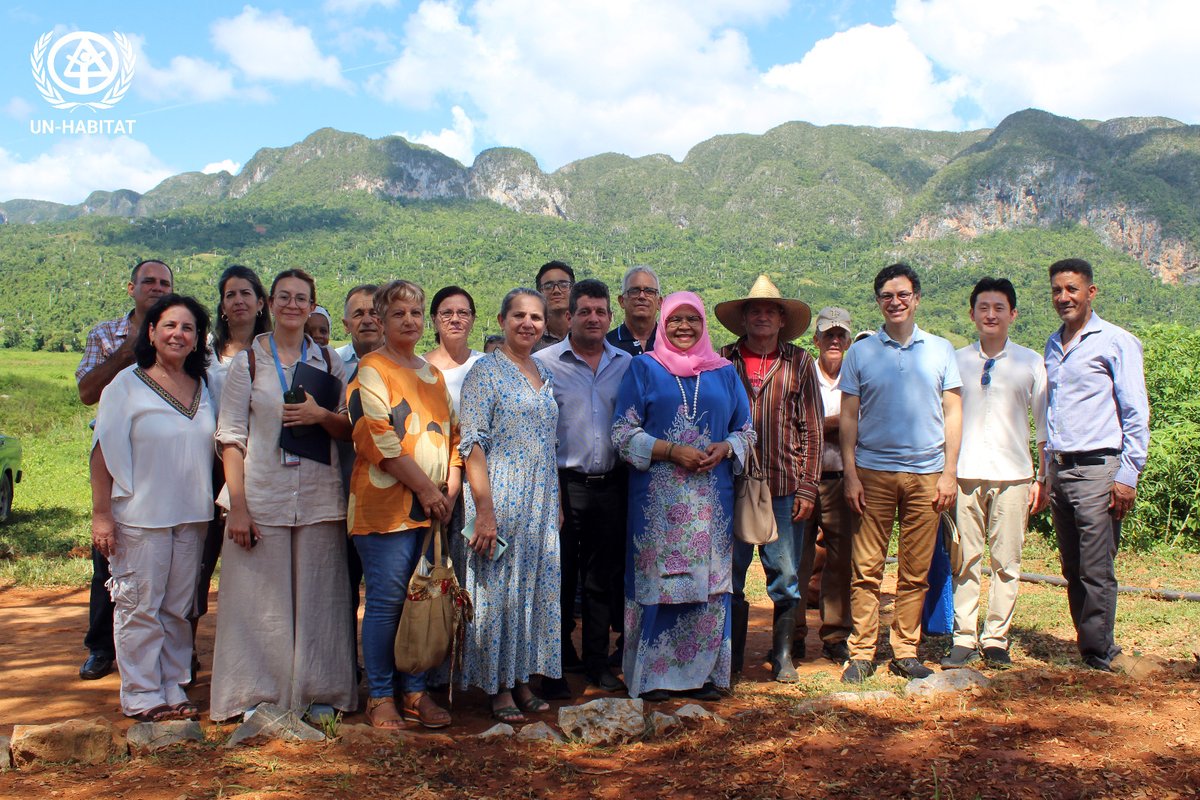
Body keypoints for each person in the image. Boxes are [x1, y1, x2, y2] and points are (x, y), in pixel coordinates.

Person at [210, 268, 357, 722]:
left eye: (302, 298)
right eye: (284, 297)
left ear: (313, 306)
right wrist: (238, 506)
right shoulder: (248, 362)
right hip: (262, 494)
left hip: (318, 496)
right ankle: (255, 696)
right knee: (256, 602)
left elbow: (347, 428)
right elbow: (231, 438)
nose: (293, 305)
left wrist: (319, 415)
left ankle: (320, 692)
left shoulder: (329, 361)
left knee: (322, 598)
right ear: (269, 305)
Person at [612, 291, 754, 701]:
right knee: (659, 585)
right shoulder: (644, 368)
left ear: (704, 325)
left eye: (693, 319)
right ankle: (654, 677)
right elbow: (622, 433)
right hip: (658, 502)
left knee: (710, 586)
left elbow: (745, 429)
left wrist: (724, 448)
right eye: (676, 319)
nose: (684, 327)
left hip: (712, 501)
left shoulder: (725, 371)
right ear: (663, 322)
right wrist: (671, 451)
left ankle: (706, 675)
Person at [90, 294, 216, 721]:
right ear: (151, 332)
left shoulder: (205, 386)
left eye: (188, 328)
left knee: (178, 609)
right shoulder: (125, 384)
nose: (179, 334)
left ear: (198, 338)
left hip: (192, 515)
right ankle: (142, 693)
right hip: (140, 516)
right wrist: (101, 513)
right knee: (139, 606)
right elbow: (101, 451)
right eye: (170, 326)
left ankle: (173, 685)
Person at [839, 263, 962, 683]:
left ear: (917, 298)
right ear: (878, 302)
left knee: (916, 569)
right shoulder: (861, 352)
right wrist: (852, 475)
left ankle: (905, 650)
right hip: (872, 472)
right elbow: (850, 417)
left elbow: (953, 413)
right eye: (887, 296)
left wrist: (950, 473)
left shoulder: (941, 350)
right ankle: (861, 652)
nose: (895, 302)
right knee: (866, 567)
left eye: (903, 294)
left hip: (927, 474)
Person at [348, 280, 461, 729]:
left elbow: (454, 437)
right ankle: (380, 696)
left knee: (424, 599)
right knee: (387, 601)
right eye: (399, 314)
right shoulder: (371, 369)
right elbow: (377, 437)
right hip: (384, 509)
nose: (409, 321)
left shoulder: (432, 375)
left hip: (433, 510)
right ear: (380, 319)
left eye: (415, 313)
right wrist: (428, 491)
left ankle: (414, 692)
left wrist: (448, 492)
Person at [457, 288, 561, 722]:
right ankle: (496, 687)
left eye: (535, 317)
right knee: (497, 592)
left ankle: (521, 681)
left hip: (539, 501)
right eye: (518, 315)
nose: (528, 324)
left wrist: (555, 502)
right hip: (498, 497)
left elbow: (547, 443)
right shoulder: (486, 372)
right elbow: (473, 444)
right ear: (501, 320)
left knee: (530, 591)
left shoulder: (541, 370)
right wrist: (484, 510)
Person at [714, 275, 822, 683]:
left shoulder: (800, 363)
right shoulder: (723, 362)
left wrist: (808, 486)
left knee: (786, 574)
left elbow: (811, 428)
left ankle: (783, 657)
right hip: (732, 485)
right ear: (743, 318)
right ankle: (732, 658)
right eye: (754, 310)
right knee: (730, 573)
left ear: (781, 320)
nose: (761, 317)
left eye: (769, 311)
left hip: (784, 485)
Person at [1043, 258, 1149, 672]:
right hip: (1062, 470)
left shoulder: (1116, 341)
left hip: (1098, 468)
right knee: (1072, 565)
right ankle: (1089, 644)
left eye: (1072, 289)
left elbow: (1136, 411)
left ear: (1091, 292)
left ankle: (1100, 653)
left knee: (1096, 566)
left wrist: (1127, 474)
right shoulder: (1053, 345)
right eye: (1057, 290)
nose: (1063, 297)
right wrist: (1048, 469)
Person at [76, 258, 174, 681]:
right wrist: (128, 348)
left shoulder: (185, 333)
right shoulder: (105, 333)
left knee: (171, 563)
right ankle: (101, 647)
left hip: (168, 464)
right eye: (148, 281)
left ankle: (171, 652)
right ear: (131, 288)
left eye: (164, 283)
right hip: (118, 461)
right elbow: (86, 391)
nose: (156, 288)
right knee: (111, 556)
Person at [942, 278, 1047, 670]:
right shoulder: (955, 360)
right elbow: (943, 419)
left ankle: (997, 639)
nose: (990, 314)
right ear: (972, 314)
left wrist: (1043, 475)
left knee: (1007, 562)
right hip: (965, 473)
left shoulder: (1030, 361)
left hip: (1015, 475)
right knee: (965, 560)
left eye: (999, 308)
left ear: (1012, 314)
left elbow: (1044, 423)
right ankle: (964, 637)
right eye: (983, 307)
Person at [535, 279, 633, 696]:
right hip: (562, 484)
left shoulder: (626, 363)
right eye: (585, 311)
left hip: (610, 485)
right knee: (558, 576)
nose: (593, 318)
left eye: (600, 311)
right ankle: (554, 664)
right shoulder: (543, 363)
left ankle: (596, 662)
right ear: (569, 316)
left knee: (600, 579)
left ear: (610, 317)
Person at [193, 265, 272, 680]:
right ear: (222, 306)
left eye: (246, 293)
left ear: (261, 303)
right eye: (230, 295)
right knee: (198, 565)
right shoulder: (202, 353)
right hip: (205, 469)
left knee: (253, 568)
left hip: (257, 471)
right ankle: (183, 651)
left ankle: (252, 658)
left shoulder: (274, 350)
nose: (238, 300)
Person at [795, 307, 857, 665]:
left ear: (848, 341)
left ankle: (835, 636)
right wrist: (841, 422)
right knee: (797, 560)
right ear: (816, 339)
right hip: (803, 478)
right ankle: (794, 634)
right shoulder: (803, 374)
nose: (834, 341)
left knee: (839, 562)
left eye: (840, 335)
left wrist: (819, 423)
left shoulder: (856, 376)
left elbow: (863, 422)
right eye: (828, 335)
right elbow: (796, 422)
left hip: (841, 479)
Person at [424, 286, 486, 411]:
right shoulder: (416, 367)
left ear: (472, 319)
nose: (455, 319)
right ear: (434, 319)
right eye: (447, 313)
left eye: (463, 313)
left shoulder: (488, 366)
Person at [607, 265, 661, 356]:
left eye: (649, 291)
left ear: (659, 303)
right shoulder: (606, 345)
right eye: (634, 291)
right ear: (622, 301)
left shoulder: (670, 343)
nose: (642, 296)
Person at [334, 284, 382, 371]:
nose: (367, 321)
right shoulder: (330, 363)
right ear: (346, 325)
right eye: (358, 315)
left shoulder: (408, 366)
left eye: (374, 313)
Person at [534, 260, 575, 351]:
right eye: (548, 286)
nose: (556, 290)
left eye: (564, 285)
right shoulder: (531, 340)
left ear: (573, 290)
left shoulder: (585, 334)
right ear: (539, 293)